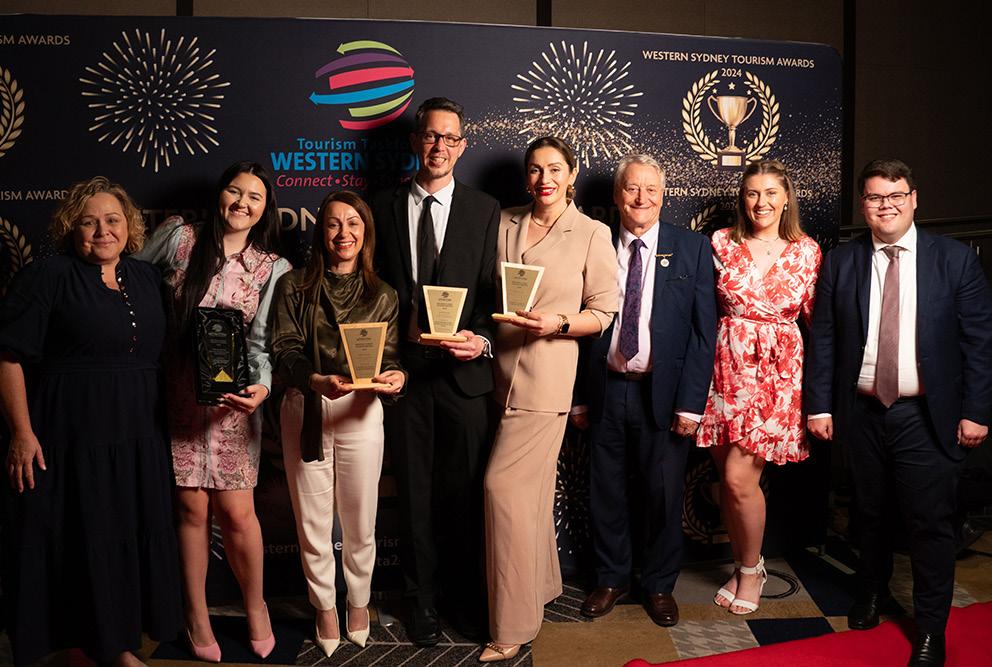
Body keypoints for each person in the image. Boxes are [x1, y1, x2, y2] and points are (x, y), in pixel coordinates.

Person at [806, 158, 992, 667]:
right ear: (863, 205)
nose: (885, 206)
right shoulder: (841, 262)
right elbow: (825, 339)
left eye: (895, 196)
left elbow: (980, 343)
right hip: (862, 411)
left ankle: (931, 627)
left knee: (930, 523)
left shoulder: (954, 260)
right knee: (869, 513)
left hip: (927, 415)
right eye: (874, 197)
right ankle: (872, 591)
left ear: (913, 200)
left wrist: (977, 410)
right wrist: (819, 405)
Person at [0, 176, 182, 666]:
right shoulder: (47, 276)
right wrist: (21, 432)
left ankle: (117, 644)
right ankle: (100, 650)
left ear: (130, 227)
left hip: (138, 432)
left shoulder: (147, 278)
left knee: (124, 536)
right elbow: (8, 356)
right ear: (71, 228)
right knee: (84, 538)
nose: (103, 231)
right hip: (70, 433)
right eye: (88, 222)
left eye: (113, 220)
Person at [137, 161, 290, 661]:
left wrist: (262, 388)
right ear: (220, 194)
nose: (242, 203)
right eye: (235, 191)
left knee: (239, 513)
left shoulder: (271, 267)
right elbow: (128, 284)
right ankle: (196, 614)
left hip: (234, 406)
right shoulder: (179, 239)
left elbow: (261, 344)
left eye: (255, 197)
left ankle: (256, 607)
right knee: (191, 509)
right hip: (177, 396)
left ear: (265, 208)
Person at [481, 136, 618, 662]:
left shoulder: (591, 232)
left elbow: (602, 311)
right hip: (492, 374)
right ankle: (541, 588)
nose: (545, 179)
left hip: (546, 380)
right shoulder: (502, 221)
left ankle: (511, 626)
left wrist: (558, 323)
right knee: (531, 494)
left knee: (503, 491)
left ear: (572, 174)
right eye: (536, 169)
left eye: (555, 169)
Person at [371, 97, 500, 644]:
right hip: (405, 378)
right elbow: (369, 292)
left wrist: (483, 340)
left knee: (465, 494)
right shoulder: (380, 206)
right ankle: (420, 601)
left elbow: (495, 293)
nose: (439, 146)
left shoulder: (485, 209)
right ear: (415, 141)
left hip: (464, 379)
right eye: (430, 136)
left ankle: (464, 601)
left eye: (449, 138)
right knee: (414, 496)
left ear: (462, 146)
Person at [577, 155, 717, 627]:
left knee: (662, 494)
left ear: (663, 196)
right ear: (617, 196)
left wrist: (691, 405)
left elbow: (703, 334)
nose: (642, 198)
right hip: (606, 387)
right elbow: (578, 323)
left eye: (651, 189)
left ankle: (658, 584)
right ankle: (611, 578)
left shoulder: (692, 248)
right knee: (606, 492)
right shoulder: (595, 242)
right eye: (632, 189)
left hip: (664, 394)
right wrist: (578, 397)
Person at [270, 190, 405, 657]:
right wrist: (313, 379)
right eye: (332, 223)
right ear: (320, 232)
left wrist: (397, 377)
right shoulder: (293, 285)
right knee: (313, 522)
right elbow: (283, 349)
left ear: (366, 232)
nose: (343, 233)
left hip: (360, 411)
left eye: (353, 223)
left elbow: (391, 358)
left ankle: (359, 602)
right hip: (306, 406)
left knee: (360, 520)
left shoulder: (383, 294)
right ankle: (324, 606)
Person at [696, 159, 821, 615]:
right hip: (723, 372)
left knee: (738, 478)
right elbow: (699, 308)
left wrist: (824, 394)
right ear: (742, 199)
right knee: (728, 484)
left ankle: (751, 571)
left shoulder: (806, 251)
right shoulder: (720, 243)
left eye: (770, 193)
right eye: (752, 193)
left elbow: (817, 323)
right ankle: (740, 563)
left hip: (776, 377)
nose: (761, 202)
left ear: (786, 198)